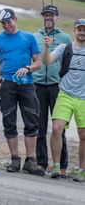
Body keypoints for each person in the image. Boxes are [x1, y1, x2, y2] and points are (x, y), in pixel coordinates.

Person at [0, 8, 44, 176]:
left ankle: (30, 161)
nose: (6, 25)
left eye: (8, 21)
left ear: (15, 19)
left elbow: (38, 63)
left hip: (26, 84)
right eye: (3, 23)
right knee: (9, 121)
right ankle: (14, 159)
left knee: (32, 120)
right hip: (7, 85)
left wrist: (28, 68)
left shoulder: (29, 38)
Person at [44, 18, 85, 182]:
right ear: (74, 31)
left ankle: (82, 170)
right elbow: (46, 61)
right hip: (65, 94)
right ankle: (56, 167)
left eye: (84, 29)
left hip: (84, 98)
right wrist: (47, 46)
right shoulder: (64, 48)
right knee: (56, 128)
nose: (82, 32)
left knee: (83, 135)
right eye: (79, 29)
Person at [33, 5, 71, 175]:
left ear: (57, 17)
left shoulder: (66, 38)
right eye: (46, 15)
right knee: (39, 126)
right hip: (38, 85)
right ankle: (41, 163)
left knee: (58, 127)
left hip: (57, 86)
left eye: (51, 15)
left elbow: (69, 62)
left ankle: (62, 165)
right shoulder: (35, 36)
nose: (48, 18)